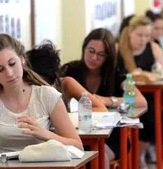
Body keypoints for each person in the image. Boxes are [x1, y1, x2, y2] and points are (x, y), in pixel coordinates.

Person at [0, 34, 83, 153]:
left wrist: (47, 135)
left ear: (22, 59)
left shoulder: (47, 95)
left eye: (12, 64)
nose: (9, 74)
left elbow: (78, 147)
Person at [60, 28, 147, 161]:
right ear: (84, 48)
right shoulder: (70, 70)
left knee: (100, 157)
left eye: (101, 54)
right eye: (91, 51)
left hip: (111, 134)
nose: (94, 58)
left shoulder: (116, 73)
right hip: (79, 131)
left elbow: (140, 101)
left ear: (108, 56)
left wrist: (107, 101)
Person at [118, 15, 163, 168]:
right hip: (124, 94)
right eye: (139, 35)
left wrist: (152, 73)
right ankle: (128, 156)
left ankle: (140, 155)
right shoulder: (119, 48)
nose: (143, 39)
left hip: (148, 95)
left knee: (152, 116)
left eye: (147, 35)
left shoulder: (153, 48)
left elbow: (162, 73)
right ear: (130, 32)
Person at [26, 41, 107, 112]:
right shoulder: (24, 87)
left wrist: (67, 119)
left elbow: (100, 108)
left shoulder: (66, 84)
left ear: (55, 77)